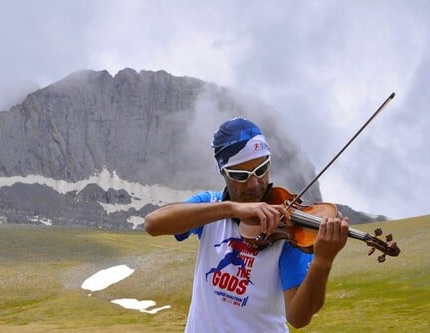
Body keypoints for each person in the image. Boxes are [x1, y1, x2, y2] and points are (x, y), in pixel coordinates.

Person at [144, 117, 349, 332]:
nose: (254, 184)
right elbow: (153, 224)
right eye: (241, 175)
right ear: (223, 172)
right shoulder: (210, 206)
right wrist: (230, 208)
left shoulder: (288, 226)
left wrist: (323, 262)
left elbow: (299, 318)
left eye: (261, 170)